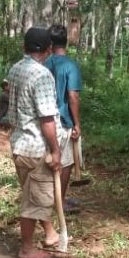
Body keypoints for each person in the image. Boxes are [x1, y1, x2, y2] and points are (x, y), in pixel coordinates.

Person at [7, 26, 65, 258]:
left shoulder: (16, 69)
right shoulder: (42, 76)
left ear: (24, 47)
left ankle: (50, 234)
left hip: (20, 144)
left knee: (33, 193)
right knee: (35, 200)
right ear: (49, 49)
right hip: (35, 147)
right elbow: (47, 118)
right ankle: (27, 248)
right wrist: (55, 150)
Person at [45, 23, 82, 210]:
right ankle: (59, 200)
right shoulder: (70, 65)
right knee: (66, 161)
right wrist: (77, 124)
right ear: (66, 41)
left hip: (44, 121)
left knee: (48, 158)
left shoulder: (43, 63)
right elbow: (73, 96)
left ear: (50, 43)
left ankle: (48, 197)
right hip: (63, 120)